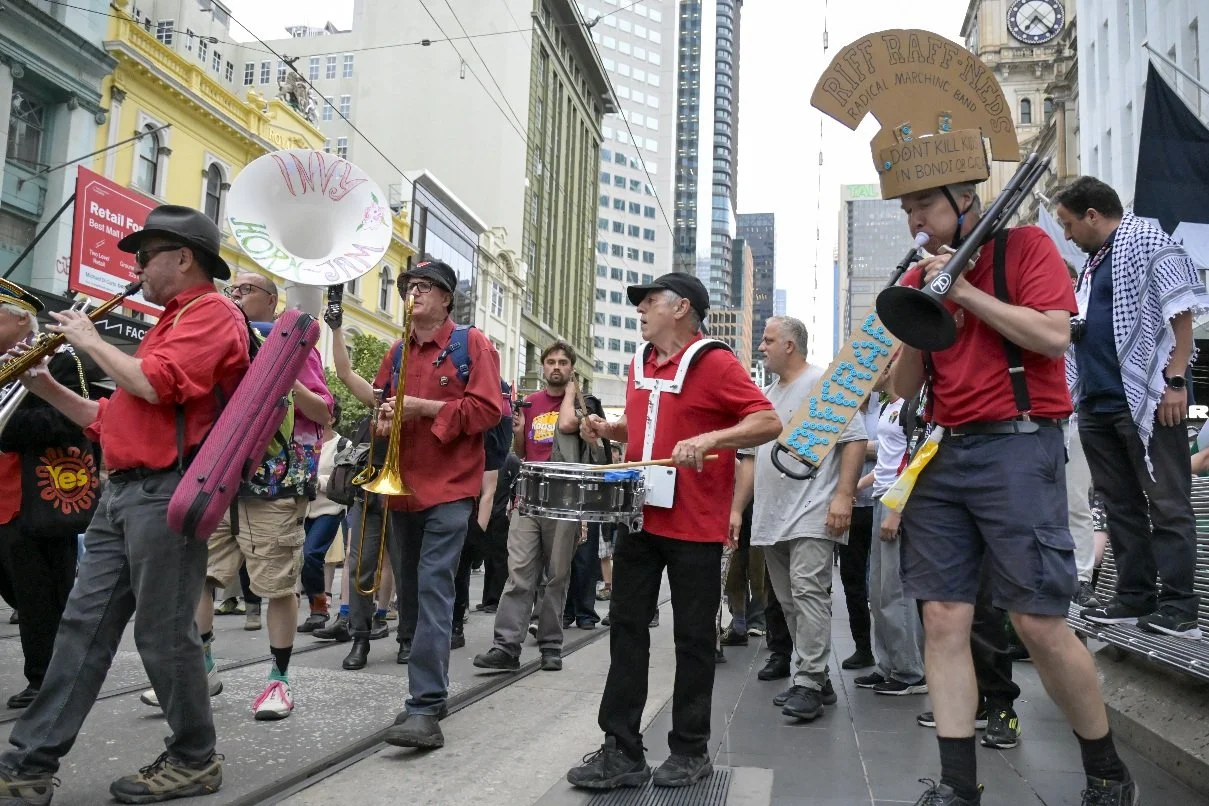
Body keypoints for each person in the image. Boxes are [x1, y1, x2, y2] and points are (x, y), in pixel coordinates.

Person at [887, 177, 1135, 804]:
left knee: (1037, 619)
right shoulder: (916, 277)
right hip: (942, 448)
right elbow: (902, 389)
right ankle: (956, 785)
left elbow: (1054, 336)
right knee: (942, 617)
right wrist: (915, 318)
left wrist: (963, 288)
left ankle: (1106, 771)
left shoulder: (1025, 246)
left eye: (922, 203)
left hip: (1019, 443)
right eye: (905, 207)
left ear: (963, 199)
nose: (911, 216)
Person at [0, 205, 247, 802]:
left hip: (167, 491)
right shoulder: (169, 321)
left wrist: (86, 338)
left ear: (183, 258)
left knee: (163, 635)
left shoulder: (212, 313)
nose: (135, 269)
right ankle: (29, 764)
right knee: (79, 629)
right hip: (124, 492)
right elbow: (106, 416)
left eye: (145, 256)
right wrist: (44, 385)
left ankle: (193, 756)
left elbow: (154, 383)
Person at [565, 273, 780, 790]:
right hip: (641, 516)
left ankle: (690, 750)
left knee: (693, 638)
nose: (639, 309)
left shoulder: (716, 362)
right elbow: (647, 428)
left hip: (695, 524)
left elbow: (768, 421)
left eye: (648, 302)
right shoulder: (640, 363)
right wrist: (611, 430)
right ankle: (622, 750)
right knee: (626, 630)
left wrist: (711, 437)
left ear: (681, 307)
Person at [152, 271, 332, 721]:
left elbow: (325, 412)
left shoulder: (294, 344)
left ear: (272, 301)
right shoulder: (223, 340)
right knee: (203, 575)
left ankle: (279, 679)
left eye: (246, 290)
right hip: (220, 478)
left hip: (274, 485)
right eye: (232, 290)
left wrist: (281, 374)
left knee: (276, 583)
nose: (235, 296)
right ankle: (202, 668)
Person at [1055, 176, 1209, 639]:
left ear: (1092, 216)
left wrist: (1176, 379)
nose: (1065, 234)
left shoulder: (1142, 237)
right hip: (1099, 401)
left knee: (1167, 503)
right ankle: (1134, 597)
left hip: (1146, 397)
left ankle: (1180, 607)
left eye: (1067, 224)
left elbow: (1180, 309)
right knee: (1119, 505)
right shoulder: (1096, 261)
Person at [374, 260, 502, 750]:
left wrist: (425, 410)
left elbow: (489, 410)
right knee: (410, 594)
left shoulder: (472, 344)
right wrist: (384, 422)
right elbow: (384, 407)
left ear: (446, 298)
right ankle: (427, 692)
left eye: (423, 287)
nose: (413, 294)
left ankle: (425, 706)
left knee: (431, 591)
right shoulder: (395, 351)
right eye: (408, 286)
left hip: (449, 490)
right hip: (403, 489)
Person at [733, 316, 867, 722]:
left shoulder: (822, 383)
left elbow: (854, 438)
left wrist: (843, 496)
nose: (762, 347)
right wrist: (738, 509)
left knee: (809, 593)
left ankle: (807, 680)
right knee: (789, 601)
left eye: (768, 340)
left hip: (812, 511)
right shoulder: (767, 394)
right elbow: (752, 459)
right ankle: (817, 676)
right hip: (772, 516)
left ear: (789, 345)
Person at [0, 283, 104, 711]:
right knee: (18, 590)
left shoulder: (59, 359)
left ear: (22, 318)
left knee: (40, 591)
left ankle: (47, 678)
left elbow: (71, 420)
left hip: (36, 497)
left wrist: (6, 430)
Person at [474, 341, 589, 673]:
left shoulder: (581, 404)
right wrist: (520, 433)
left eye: (563, 362)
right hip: (529, 498)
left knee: (556, 577)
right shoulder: (530, 402)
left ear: (571, 368)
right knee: (519, 574)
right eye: (550, 361)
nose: (556, 367)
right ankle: (505, 646)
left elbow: (577, 440)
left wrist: (572, 394)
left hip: (564, 501)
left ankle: (551, 644)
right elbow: (523, 453)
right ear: (542, 367)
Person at [854, 363, 928, 697]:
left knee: (895, 590)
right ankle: (888, 665)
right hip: (881, 498)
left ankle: (910, 670)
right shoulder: (888, 407)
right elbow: (887, 459)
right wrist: (859, 484)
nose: (875, 372)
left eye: (883, 366)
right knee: (878, 590)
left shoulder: (913, 407)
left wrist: (896, 511)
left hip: (897, 504)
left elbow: (914, 461)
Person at [299, 401, 348, 632]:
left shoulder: (342, 445)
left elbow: (344, 482)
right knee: (302, 560)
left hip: (329, 509)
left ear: (332, 419)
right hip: (301, 511)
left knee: (312, 554)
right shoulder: (303, 441)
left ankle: (319, 609)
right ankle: (315, 610)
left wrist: (316, 482)